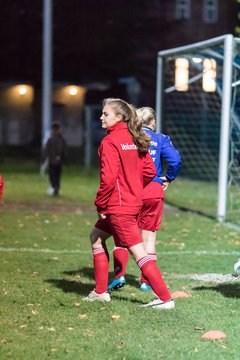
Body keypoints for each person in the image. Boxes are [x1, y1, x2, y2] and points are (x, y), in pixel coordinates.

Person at [83, 98, 175, 309]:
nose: (101, 117)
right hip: (131, 204)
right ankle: (100, 292)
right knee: (96, 237)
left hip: (118, 207)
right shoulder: (135, 137)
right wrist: (132, 188)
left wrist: (101, 204)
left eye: (105, 114)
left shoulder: (110, 142)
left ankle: (164, 298)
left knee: (138, 252)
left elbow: (108, 178)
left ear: (119, 117)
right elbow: (150, 172)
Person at [108, 107, 182, 291]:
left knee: (121, 236)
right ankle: (146, 282)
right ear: (153, 122)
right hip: (152, 191)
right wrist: (169, 177)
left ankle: (119, 276)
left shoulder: (127, 138)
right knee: (148, 238)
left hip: (129, 191)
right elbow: (175, 160)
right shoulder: (160, 138)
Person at [42, 123, 67, 196]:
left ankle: (53, 187)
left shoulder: (51, 139)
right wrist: (65, 160)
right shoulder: (62, 139)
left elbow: (46, 150)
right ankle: (57, 188)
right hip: (59, 161)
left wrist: (43, 158)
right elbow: (64, 151)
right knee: (57, 175)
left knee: (52, 175)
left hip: (52, 161)